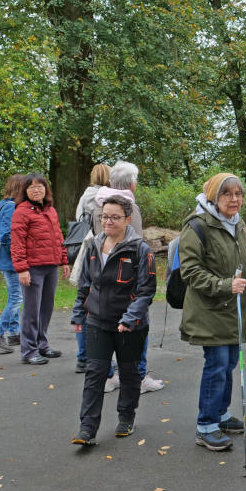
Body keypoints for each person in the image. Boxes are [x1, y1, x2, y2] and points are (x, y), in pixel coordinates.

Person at [178, 173, 246, 451]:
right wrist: (224, 285)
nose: (234, 199)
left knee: (229, 363)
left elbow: (237, 264)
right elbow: (191, 272)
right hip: (210, 310)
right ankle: (205, 426)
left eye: (238, 194)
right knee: (217, 366)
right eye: (227, 194)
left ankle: (220, 415)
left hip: (233, 309)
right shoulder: (197, 226)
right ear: (213, 197)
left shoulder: (236, 225)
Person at [70, 195, 156, 446]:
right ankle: (87, 429)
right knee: (95, 373)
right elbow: (85, 284)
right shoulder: (93, 245)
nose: (108, 221)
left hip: (130, 325)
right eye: (104, 216)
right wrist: (78, 313)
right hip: (98, 321)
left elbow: (146, 291)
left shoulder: (140, 250)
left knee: (129, 373)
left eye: (114, 217)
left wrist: (130, 318)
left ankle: (126, 418)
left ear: (127, 219)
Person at [97, 161, 163, 394]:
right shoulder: (128, 208)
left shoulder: (95, 201)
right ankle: (139, 377)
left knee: (105, 326)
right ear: (132, 183)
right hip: (126, 275)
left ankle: (108, 376)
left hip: (102, 273)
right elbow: (135, 242)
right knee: (135, 323)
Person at [9, 173, 70, 365]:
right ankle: (29, 351)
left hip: (51, 266)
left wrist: (64, 260)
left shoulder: (50, 210)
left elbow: (59, 237)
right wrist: (21, 269)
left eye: (40, 186)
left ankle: (42, 345)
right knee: (31, 310)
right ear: (25, 191)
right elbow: (17, 242)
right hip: (33, 268)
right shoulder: (21, 211)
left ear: (46, 189)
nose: (36, 190)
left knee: (46, 308)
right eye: (31, 187)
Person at [73, 163, 110, 372]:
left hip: (84, 250)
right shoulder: (101, 197)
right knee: (92, 302)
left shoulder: (85, 196)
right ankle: (88, 355)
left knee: (83, 299)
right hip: (96, 252)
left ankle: (82, 356)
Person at [0, 173, 25, 353]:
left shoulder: (9, 206)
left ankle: (14, 334)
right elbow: (7, 236)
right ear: (19, 188)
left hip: (9, 260)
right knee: (17, 298)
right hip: (10, 260)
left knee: (15, 296)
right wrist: (18, 256)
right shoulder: (10, 207)